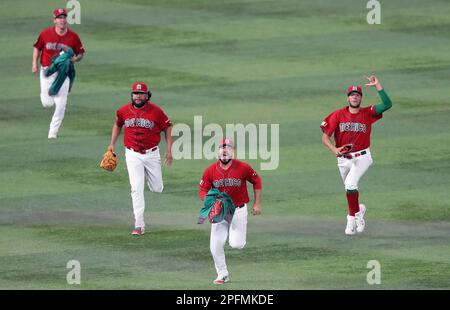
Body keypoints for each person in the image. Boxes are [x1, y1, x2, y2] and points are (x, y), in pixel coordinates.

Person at [320, 75, 392, 235]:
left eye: (357, 95)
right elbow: (325, 137)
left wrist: (378, 85)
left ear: (361, 98)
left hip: (363, 157)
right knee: (349, 189)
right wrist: (334, 150)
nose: (354, 97)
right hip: (343, 159)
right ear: (348, 98)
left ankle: (353, 218)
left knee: (350, 185)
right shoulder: (337, 115)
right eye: (352, 95)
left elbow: (387, 104)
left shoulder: (368, 112)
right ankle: (359, 209)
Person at [108, 82, 173, 235]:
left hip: (151, 154)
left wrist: (169, 150)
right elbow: (118, 124)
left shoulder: (156, 112)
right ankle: (139, 225)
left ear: (146, 95)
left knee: (157, 188)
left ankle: (148, 177)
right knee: (136, 189)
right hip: (132, 155)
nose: (137, 96)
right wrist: (111, 144)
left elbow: (168, 127)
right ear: (132, 95)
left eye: (140, 93)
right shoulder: (124, 111)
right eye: (135, 93)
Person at [198, 138, 262, 284]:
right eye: (222, 147)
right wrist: (210, 202)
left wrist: (257, 204)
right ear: (218, 151)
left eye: (228, 148)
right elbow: (203, 189)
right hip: (220, 212)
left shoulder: (243, 167)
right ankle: (222, 274)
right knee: (215, 245)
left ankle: (236, 233)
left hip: (238, 210)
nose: (224, 150)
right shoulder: (210, 170)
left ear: (233, 151)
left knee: (236, 244)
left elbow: (257, 180)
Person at [32, 8, 85, 139]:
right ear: (54, 20)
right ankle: (50, 93)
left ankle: (53, 132)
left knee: (61, 103)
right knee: (47, 103)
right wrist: (34, 63)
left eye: (64, 17)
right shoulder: (45, 34)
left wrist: (75, 59)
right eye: (59, 18)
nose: (62, 20)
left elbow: (81, 53)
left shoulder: (73, 37)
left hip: (64, 72)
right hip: (47, 71)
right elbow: (37, 48)